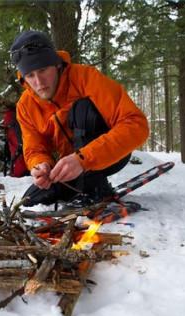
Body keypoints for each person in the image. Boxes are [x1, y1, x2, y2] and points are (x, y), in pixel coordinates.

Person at [9, 30, 149, 207]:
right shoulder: (26, 105)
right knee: (32, 199)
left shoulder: (86, 78)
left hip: (107, 157)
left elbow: (137, 124)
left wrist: (83, 159)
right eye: (30, 75)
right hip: (66, 167)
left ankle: (96, 188)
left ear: (56, 64)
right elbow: (34, 148)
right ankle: (82, 186)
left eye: (43, 70)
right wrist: (41, 165)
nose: (39, 82)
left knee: (83, 108)